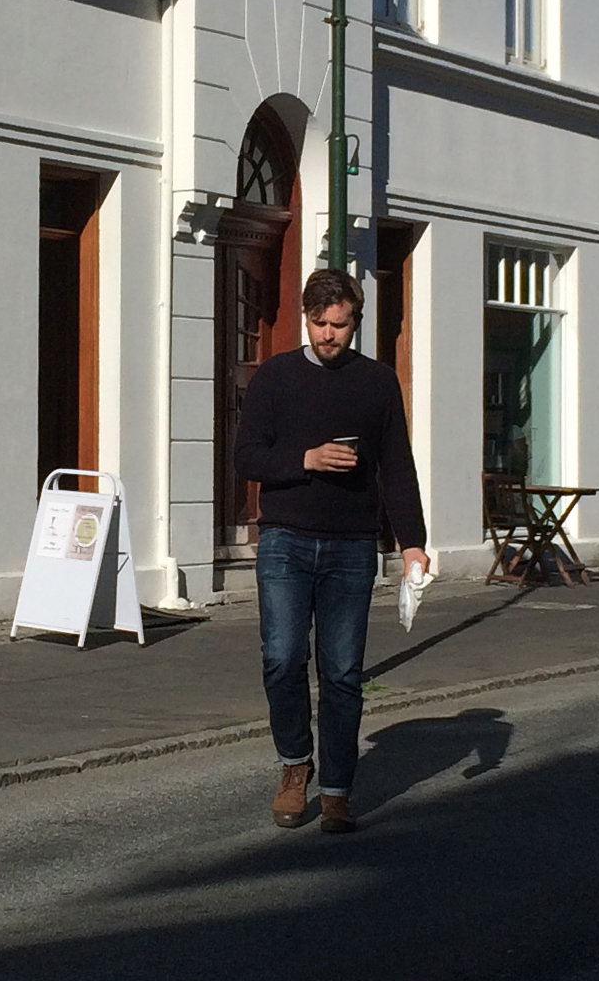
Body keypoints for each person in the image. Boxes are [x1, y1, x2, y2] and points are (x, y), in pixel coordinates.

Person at [232, 266, 428, 836]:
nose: (327, 336)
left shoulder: (376, 382)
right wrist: (305, 460)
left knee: (342, 672)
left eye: (339, 326)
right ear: (306, 319)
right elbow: (247, 458)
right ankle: (296, 767)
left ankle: (337, 789)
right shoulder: (275, 377)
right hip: (286, 539)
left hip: (351, 546)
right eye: (319, 324)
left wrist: (412, 542)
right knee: (282, 658)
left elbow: (396, 464)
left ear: (355, 323)